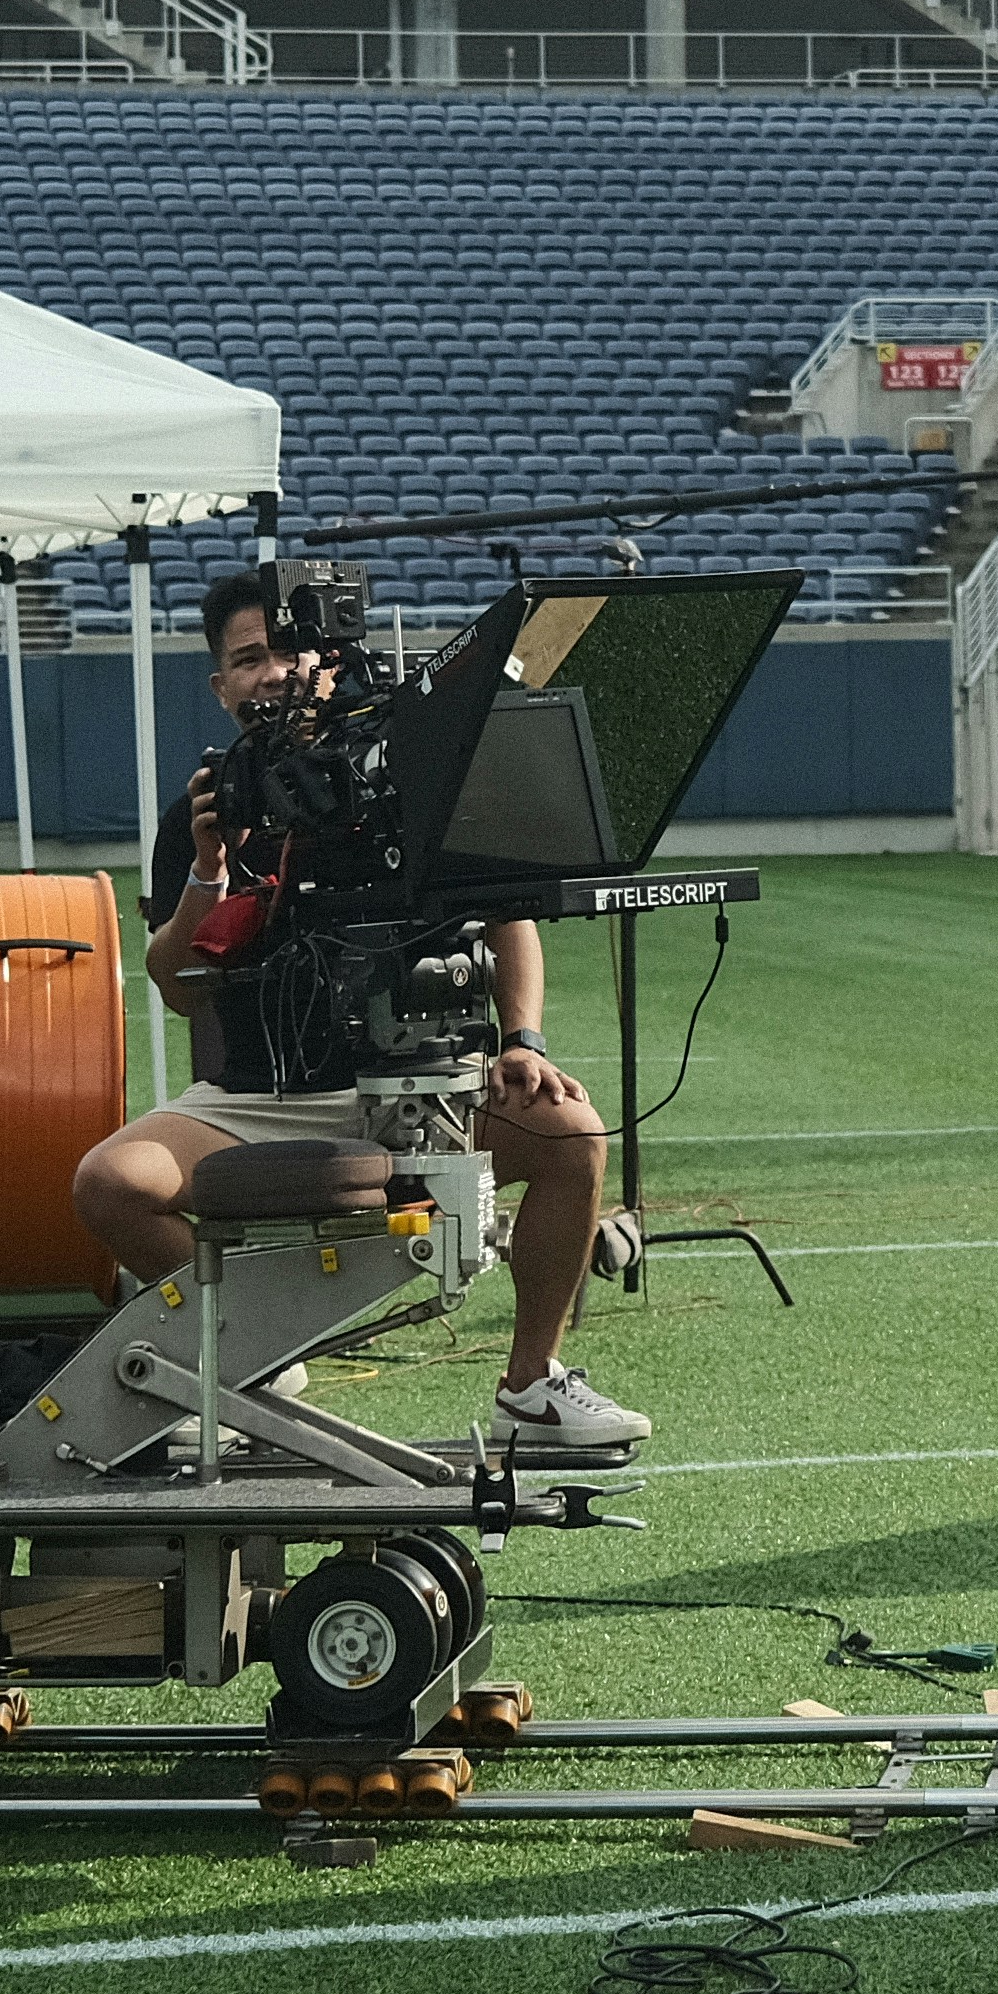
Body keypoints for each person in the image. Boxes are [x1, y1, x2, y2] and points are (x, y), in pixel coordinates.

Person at [75, 568, 631, 1462]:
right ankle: (257, 1351)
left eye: (291, 650)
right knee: (110, 1184)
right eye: (248, 659)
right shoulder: (205, 807)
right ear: (220, 687)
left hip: (425, 1086)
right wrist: (210, 867)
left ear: (331, 661)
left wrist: (523, 1038)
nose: (274, 673)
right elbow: (178, 984)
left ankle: (531, 1384)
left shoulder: (412, 775)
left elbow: (507, 914)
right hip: (254, 1094)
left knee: (572, 1135)